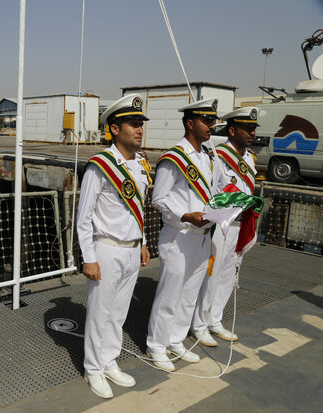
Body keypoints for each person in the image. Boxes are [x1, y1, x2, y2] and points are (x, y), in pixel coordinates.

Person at [77, 94, 152, 398]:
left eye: (140, 124)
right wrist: (89, 257)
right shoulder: (100, 165)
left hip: (132, 249)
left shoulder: (141, 164)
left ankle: (110, 360)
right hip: (106, 248)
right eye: (133, 124)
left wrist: (143, 242)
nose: (139, 129)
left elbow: (139, 208)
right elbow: (84, 217)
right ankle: (93, 368)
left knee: (118, 313)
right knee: (100, 312)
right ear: (115, 128)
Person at [146, 98, 218, 371]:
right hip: (180, 235)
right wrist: (186, 215)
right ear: (190, 123)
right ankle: (156, 345)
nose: (212, 126)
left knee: (189, 294)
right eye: (206, 121)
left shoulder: (206, 157)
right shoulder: (173, 157)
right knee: (170, 294)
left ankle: (176, 340)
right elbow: (159, 198)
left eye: (213, 121)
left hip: (202, 235)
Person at [191, 107, 261, 346]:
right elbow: (213, 192)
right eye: (247, 128)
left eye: (254, 129)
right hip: (222, 224)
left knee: (230, 274)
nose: (252, 133)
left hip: (241, 225)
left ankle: (215, 320)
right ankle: (199, 325)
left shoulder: (250, 158)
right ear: (232, 130)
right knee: (213, 275)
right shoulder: (218, 156)